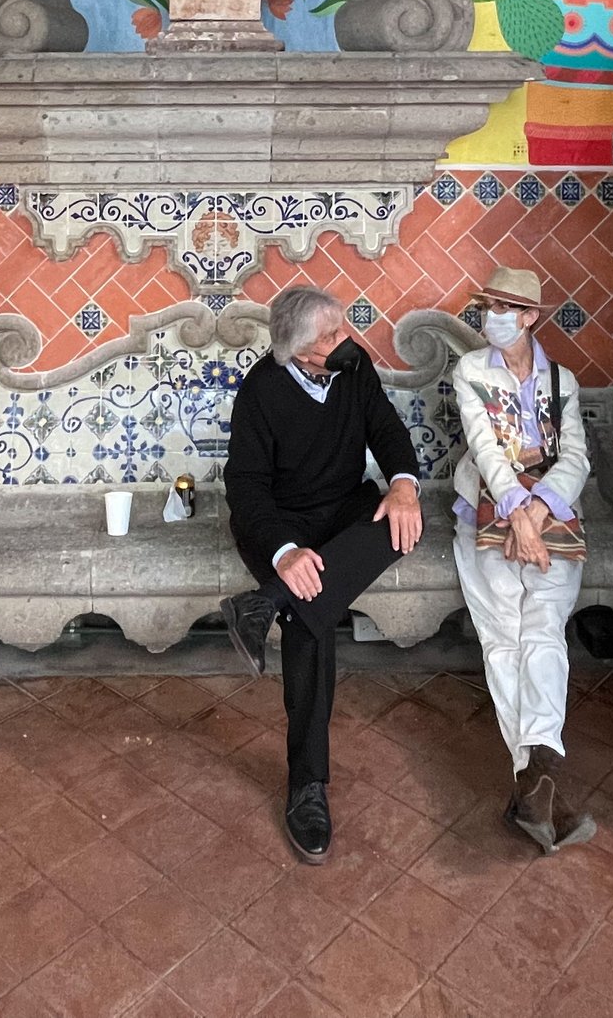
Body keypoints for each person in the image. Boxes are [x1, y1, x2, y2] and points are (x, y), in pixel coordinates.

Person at [218, 285, 423, 863]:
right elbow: (246, 488)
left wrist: (404, 482)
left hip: (342, 510)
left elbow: (385, 430)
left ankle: (262, 604)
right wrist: (284, 552)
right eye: (330, 338)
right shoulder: (262, 391)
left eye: (341, 330)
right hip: (278, 526)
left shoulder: (354, 368)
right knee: (312, 624)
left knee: (403, 524)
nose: (345, 341)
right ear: (300, 353)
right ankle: (307, 784)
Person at [449, 265, 595, 853]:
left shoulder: (563, 380)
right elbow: (484, 447)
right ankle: (540, 775)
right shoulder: (469, 371)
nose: (494, 317)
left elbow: (578, 456)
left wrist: (536, 514)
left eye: (507, 308)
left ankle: (532, 782)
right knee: (502, 632)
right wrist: (515, 508)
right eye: (488, 306)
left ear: (532, 316)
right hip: (485, 508)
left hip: (549, 516)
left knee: (543, 630)